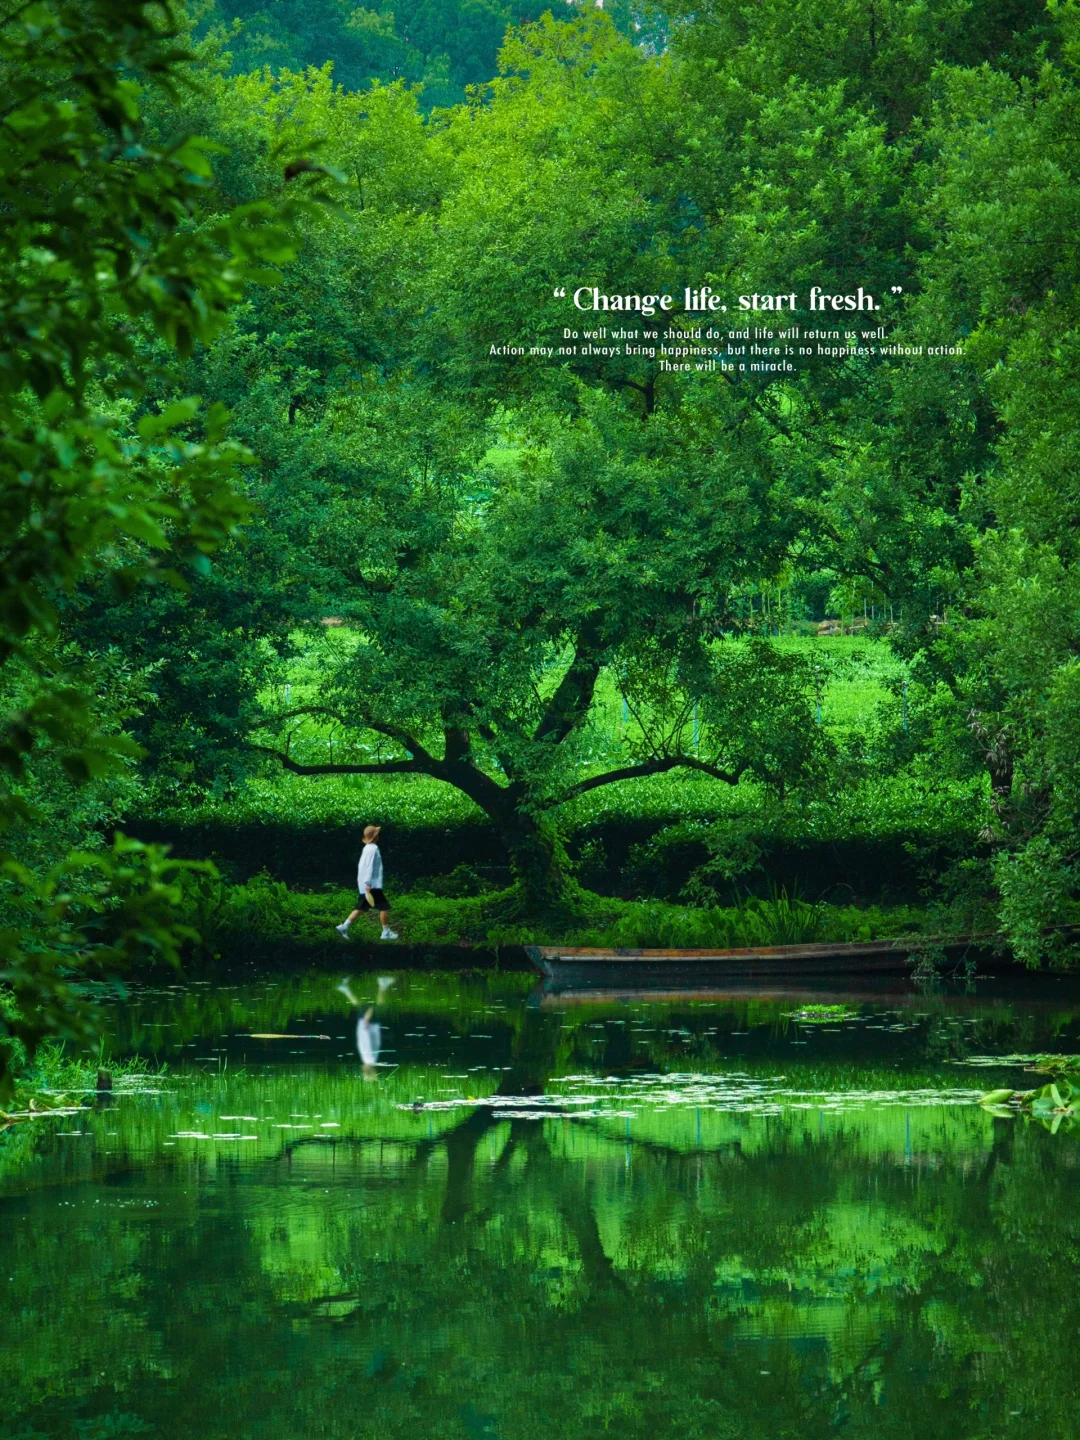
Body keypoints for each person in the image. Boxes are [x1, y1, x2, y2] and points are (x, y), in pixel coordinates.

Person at [336, 824, 398, 940]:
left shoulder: (367, 848)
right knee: (384, 907)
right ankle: (386, 933)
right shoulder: (373, 849)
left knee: (361, 908)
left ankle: (344, 927)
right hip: (372, 885)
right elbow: (369, 867)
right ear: (375, 836)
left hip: (366, 885)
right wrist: (368, 883)